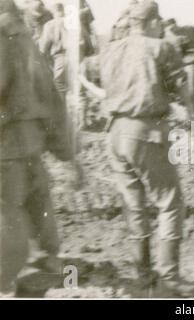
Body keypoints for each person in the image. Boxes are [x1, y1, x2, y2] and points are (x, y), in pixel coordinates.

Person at [96, 0, 194, 298]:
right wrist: (190, 111)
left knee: (135, 206)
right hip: (144, 133)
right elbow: (181, 88)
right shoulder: (160, 47)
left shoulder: (110, 49)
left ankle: (142, 281)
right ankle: (168, 282)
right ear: (153, 22)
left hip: (114, 135)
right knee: (170, 202)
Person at [0, 0, 80, 297]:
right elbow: (52, 99)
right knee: (38, 217)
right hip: (32, 146)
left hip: (5, 149)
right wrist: (68, 154)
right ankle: (41, 265)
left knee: (8, 219)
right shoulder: (28, 42)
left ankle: (8, 280)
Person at [163, 18, 194, 120]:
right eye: (167, 27)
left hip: (192, 61)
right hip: (185, 61)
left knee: (190, 91)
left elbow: (176, 52)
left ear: (174, 25)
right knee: (186, 91)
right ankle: (192, 117)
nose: (170, 29)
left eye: (171, 26)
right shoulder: (174, 34)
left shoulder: (181, 34)